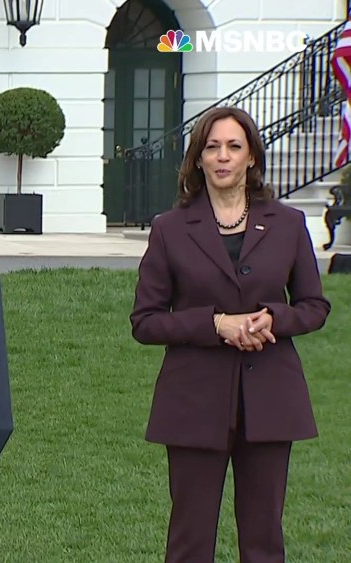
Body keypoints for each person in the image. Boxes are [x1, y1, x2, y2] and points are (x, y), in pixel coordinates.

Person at [129, 106, 330, 562]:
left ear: (251, 157)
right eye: (212, 147)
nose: (223, 156)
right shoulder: (169, 229)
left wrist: (273, 319)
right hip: (194, 400)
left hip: (271, 397)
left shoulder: (287, 224)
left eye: (234, 147)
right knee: (190, 540)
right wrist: (215, 324)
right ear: (198, 159)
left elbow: (314, 306)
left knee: (263, 539)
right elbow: (146, 321)